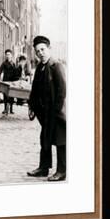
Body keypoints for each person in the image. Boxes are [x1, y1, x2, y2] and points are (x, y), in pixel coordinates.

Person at [27, 35, 66, 182]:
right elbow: (35, 88)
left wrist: (56, 111)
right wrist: (32, 105)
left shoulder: (56, 66)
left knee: (60, 140)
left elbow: (62, 91)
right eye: (37, 51)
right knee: (45, 139)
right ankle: (43, 168)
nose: (40, 53)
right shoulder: (40, 67)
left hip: (56, 112)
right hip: (44, 113)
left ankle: (62, 171)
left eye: (43, 49)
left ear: (49, 49)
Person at [0, 49, 18, 114]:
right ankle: (4, 109)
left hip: (12, 81)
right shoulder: (4, 63)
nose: (7, 56)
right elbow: (0, 71)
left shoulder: (13, 63)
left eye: (9, 54)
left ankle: (11, 109)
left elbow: (16, 72)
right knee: (5, 94)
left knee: (12, 95)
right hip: (5, 80)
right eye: (6, 54)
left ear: (11, 55)